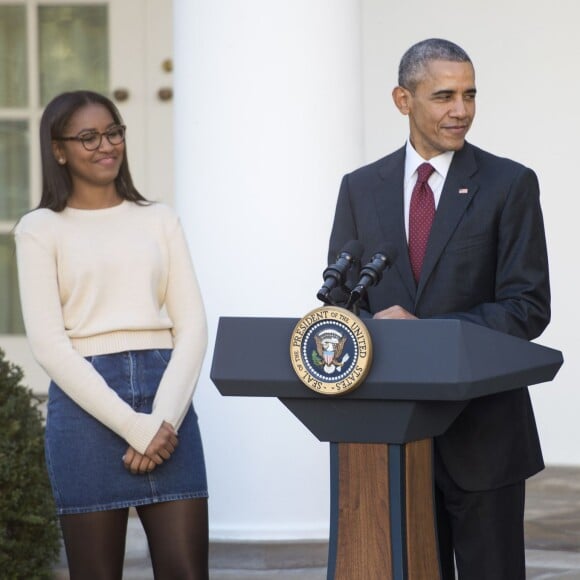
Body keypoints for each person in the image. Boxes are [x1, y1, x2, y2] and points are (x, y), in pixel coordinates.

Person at [328, 39, 550, 579]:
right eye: (444, 95)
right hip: (390, 444)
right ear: (403, 99)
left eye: (470, 94)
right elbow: (341, 300)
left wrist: (425, 333)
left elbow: (528, 307)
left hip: (485, 439)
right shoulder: (360, 188)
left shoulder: (509, 184)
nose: (462, 110)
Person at [14, 90, 209, 579]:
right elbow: (49, 347)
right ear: (58, 150)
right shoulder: (39, 229)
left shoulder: (159, 218)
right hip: (86, 409)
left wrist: (161, 421)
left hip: (168, 401)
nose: (107, 145)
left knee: (187, 572)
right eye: (88, 137)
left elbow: (193, 328)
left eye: (114, 132)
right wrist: (136, 428)